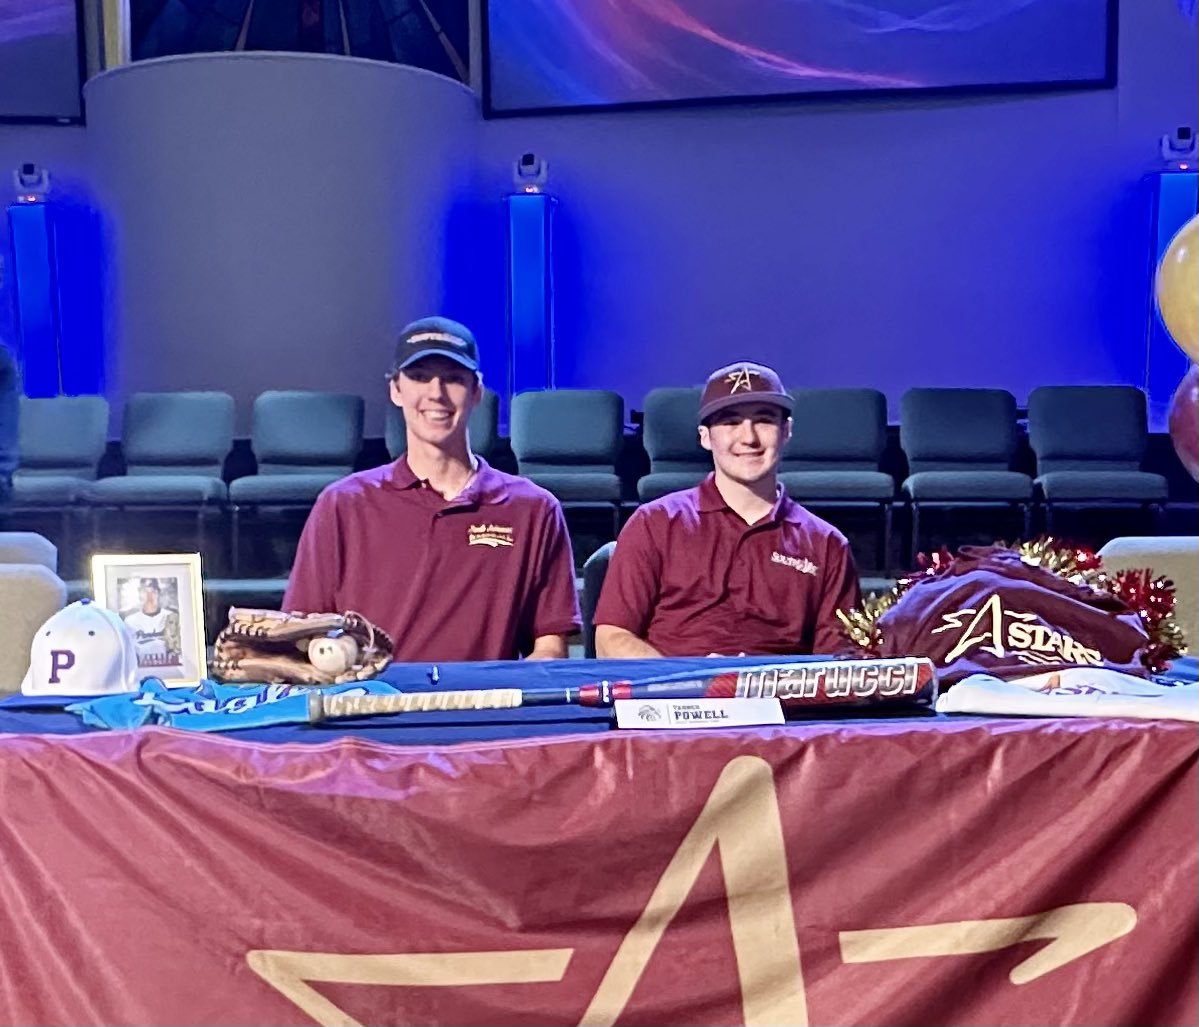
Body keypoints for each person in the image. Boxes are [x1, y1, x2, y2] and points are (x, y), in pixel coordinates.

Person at [283, 316, 580, 661]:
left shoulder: (533, 509)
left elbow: (549, 645)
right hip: (372, 707)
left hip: (484, 710)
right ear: (396, 389)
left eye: (453, 379)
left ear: (477, 392)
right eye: (420, 377)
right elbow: (305, 632)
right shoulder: (343, 504)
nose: (436, 393)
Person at [594, 360, 861, 658]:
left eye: (764, 420)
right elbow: (611, 638)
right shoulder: (654, 523)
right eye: (731, 422)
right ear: (705, 437)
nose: (749, 438)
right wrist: (691, 682)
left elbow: (837, 661)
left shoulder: (827, 544)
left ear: (786, 431)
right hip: (674, 698)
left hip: (780, 701)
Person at [123, 577, 182, 668]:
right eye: (145, 592)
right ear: (139, 594)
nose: (149, 596)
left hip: (170, 668)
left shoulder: (172, 616)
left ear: (159, 594)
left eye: (153, 592)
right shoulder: (130, 621)